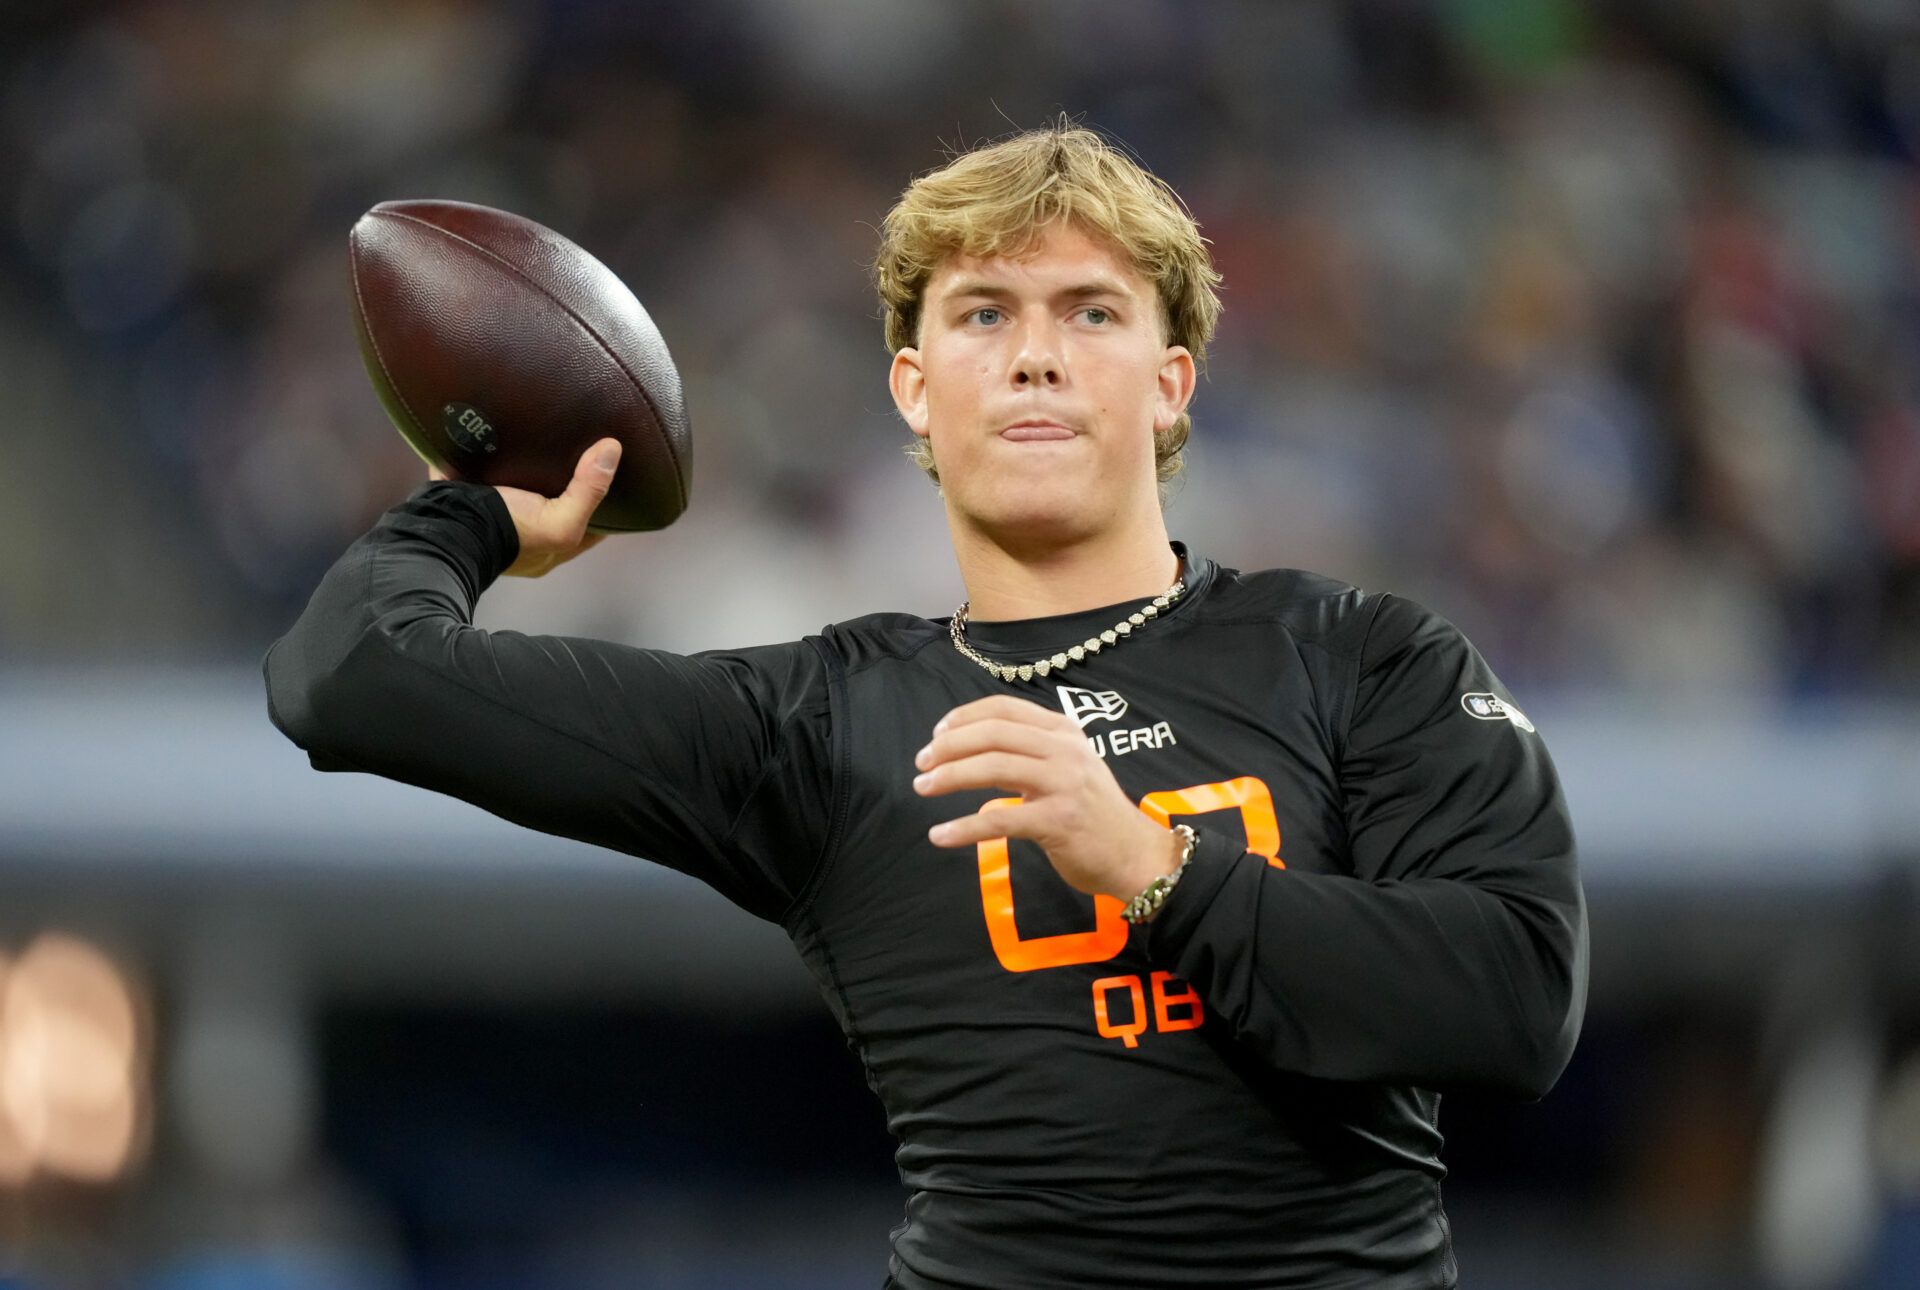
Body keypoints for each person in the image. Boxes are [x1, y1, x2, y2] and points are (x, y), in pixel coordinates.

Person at [264, 123, 1587, 1288]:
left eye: (1091, 312)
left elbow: (1515, 1001)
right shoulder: (822, 716)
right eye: (982, 316)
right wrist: (475, 511)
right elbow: (350, 677)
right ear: (915, 387)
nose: (1034, 359)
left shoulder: (1363, 657)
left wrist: (1154, 868)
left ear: (1171, 384)